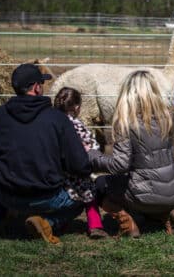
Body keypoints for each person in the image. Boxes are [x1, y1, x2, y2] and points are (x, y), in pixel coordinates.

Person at [88, 70, 174, 238]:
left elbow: (120, 165)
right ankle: (165, 214)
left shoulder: (125, 123)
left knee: (99, 184)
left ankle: (127, 221)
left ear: (127, 93)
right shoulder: (167, 117)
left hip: (144, 194)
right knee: (153, 189)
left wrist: (92, 155)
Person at [0, 63, 91, 244]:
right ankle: (48, 222)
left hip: (7, 193)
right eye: (41, 83)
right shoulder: (58, 119)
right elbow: (79, 165)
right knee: (82, 197)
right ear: (36, 87)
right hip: (47, 196)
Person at [53, 87, 108, 239]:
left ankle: (59, 223)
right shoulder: (77, 125)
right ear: (77, 107)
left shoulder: (52, 122)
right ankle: (95, 225)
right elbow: (92, 147)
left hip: (57, 172)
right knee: (89, 191)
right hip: (76, 172)